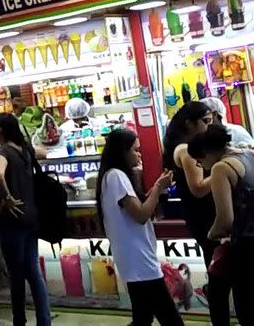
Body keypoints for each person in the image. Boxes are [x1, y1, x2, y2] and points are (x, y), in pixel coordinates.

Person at [96, 129, 183, 326]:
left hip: (134, 259)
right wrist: (159, 188)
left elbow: (136, 208)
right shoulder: (116, 176)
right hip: (139, 261)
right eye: (136, 150)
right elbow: (142, 215)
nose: (139, 154)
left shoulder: (113, 177)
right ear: (123, 152)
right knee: (170, 318)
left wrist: (155, 190)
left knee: (143, 317)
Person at [162, 102, 230, 326]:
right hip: (205, 217)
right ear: (189, 123)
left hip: (203, 215)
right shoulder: (185, 149)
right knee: (219, 277)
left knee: (220, 273)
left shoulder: (188, 147)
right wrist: (226, 170)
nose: (209, 126)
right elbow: (198, 187)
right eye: (205, 122)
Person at [189, 124, 254, 326]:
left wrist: (211, 233)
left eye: (200, 161)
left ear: (207, 153)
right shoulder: (249, 154)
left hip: (245, 246)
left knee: (243, 307)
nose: (203, 167)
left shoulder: (221, 168)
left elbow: (225, 220)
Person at [0, 113, 51, 326]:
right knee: (33, 271)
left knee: (16, 274)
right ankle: (44, 320)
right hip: (31, 216)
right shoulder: (25, 150)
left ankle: (19, 320)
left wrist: (7, 198)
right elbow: (44, 152)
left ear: (1, 130)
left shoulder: (3, 152)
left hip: (12, 219)